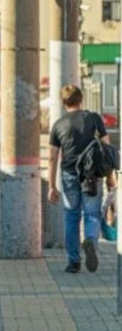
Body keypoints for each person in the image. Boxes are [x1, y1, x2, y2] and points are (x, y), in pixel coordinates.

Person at [48, 85, 116, 273]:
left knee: (71, 216)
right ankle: (91, 242)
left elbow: (52, 157)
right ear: (81, 99)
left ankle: (73, 262)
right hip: (92, 175)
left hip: (69, 175)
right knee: (91, 213)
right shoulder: (94, 119)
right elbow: (107, 150)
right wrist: (111, 177)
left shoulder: (58, 125)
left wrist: (52, 186)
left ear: (64, 102)